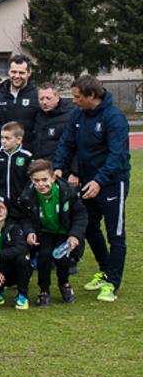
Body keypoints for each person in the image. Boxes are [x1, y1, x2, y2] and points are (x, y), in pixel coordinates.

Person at [52, 75, 130, 303]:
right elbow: (67, 142)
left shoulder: (114, 118)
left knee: (115, 234)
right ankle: (106, 271)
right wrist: (59, 167)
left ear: (91, 96)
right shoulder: (78, 115)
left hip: (112, 182)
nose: (73, 101)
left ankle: (112, 285)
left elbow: (118, 155)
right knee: (88, 227)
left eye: (77, 97)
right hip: (87, 181)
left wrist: (100, 181)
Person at [21, 160, 86, 307]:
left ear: (53, 177)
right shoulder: (28, 195)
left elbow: (80, 215)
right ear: (31, 180)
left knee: (62, 258)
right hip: (45, 232)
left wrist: (74, 235)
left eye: (44, 180)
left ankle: (64, 284)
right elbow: (25, 218)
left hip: (64, 232)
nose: (41, 184)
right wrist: (29, 232)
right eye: (36, 180)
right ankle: (44, 290)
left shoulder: (67, 192)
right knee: (44, 256)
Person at [0, 55, 40, 142]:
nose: (17, 76)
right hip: (2, 152)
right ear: (8, 72)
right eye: (13, 72)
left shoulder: (38, 97)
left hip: (28, 152)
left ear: (29, 73)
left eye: (21, 73)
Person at [31, 82, 75, 167]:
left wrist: (74, 171)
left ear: (57, 97)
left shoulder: (70, 115)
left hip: (61, 169)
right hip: (41, 168)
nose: (44, 102)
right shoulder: (38, 115)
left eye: (48, 98)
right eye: (41, 99)